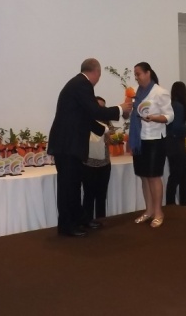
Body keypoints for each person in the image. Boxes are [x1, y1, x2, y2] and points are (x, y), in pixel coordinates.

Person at [48, 58, 132, 237]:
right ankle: (67, 226)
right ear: (96, 72)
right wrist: (120, 108)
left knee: (73, 185)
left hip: (68, 145)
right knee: (68, 187)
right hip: (68, 145)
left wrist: (104, 130)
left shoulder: (77, 84)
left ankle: (80, 220)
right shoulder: (82, 84)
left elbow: (84, 116)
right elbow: (95, 111)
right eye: (99, 76)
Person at [130, 62, 174, 228]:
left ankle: (158, 212)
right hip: (140, 140)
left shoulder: (160, 92)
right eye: (135, 74)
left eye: (138, 74)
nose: (136, 77)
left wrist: (154, 118)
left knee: (154, 176)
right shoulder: (137, 92)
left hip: (155, 139)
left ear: (148, 73)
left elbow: (170, 116)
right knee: (144, 176)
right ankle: (148, 211)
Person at [165, 81, 186, 206]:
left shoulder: (172, 105)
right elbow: (176, 127)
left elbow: (172, 126)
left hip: (171, 143)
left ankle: (176, 204)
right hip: (176, 144)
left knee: (181, 173)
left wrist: (185, 132)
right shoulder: (178, 106)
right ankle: (179, 204)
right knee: (179, 174)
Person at [81, 96, 112, 228]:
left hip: (104, 164)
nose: (101, 109)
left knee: (101, 194)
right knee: (88, 194)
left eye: (103, 107)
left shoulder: (107, 124)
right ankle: (86, 220)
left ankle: (101, 219)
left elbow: (109, 142)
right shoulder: (84, 122)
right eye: (98, 106)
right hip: (88, 164)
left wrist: (107, 134)